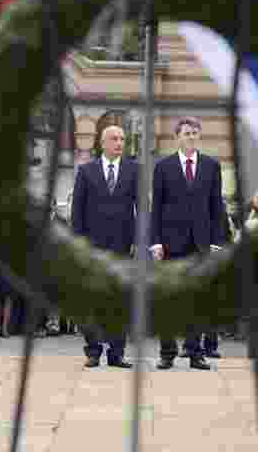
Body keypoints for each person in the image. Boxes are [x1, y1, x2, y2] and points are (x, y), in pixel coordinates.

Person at [150, 117, 226, 371]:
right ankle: (167, 352)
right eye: (186, 133)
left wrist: (217, 242)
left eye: (195, 133)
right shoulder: (163, 167)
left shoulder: (211, 166)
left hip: (202, 243)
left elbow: (217, 207)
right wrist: (155, 242)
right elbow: (156, 208)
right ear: (178, 137)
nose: (191, 136)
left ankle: (195, 353)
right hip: (171, 243)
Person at [70, 125, 136, 369]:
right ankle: (93, 350)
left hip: (122, 246)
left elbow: (142, 208)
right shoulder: (86, 171)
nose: (120, 143)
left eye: (123, 139)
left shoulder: (133, 170)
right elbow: (77, 212)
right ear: (102, 142)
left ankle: (117, 353)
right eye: (115, 138)